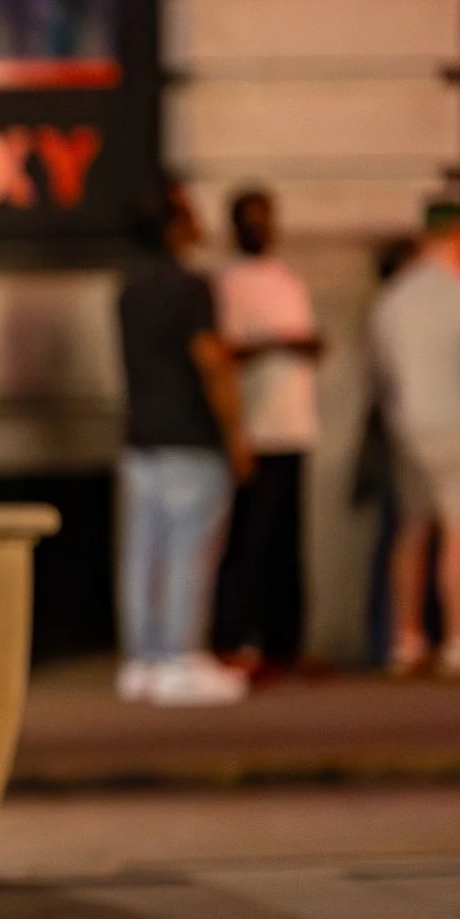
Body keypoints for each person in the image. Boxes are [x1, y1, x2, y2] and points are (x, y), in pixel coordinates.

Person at [114, 185, 252, 707]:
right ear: (174, 227)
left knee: (142, 552)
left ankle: (143, 659)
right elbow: (211, 362)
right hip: (190, 435)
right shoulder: (192, 287)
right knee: (190, 552)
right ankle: (180, 656)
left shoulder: (129, 289)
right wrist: (236, 433)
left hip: (141, 432)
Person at [371, 200, 460, 676]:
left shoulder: (395, 297)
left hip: (409, 425)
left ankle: (405, 638)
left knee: (411, 531)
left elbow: (384, 371)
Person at [209, 186, 321, 675]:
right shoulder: (227, 282)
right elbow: (222, 352)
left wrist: (301, 345)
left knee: (286, 543)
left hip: (294, 424)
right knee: (247, 538)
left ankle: (284, 644)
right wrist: (272, 345)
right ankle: (233, 637)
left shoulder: (287, 278)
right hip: (253, 427)